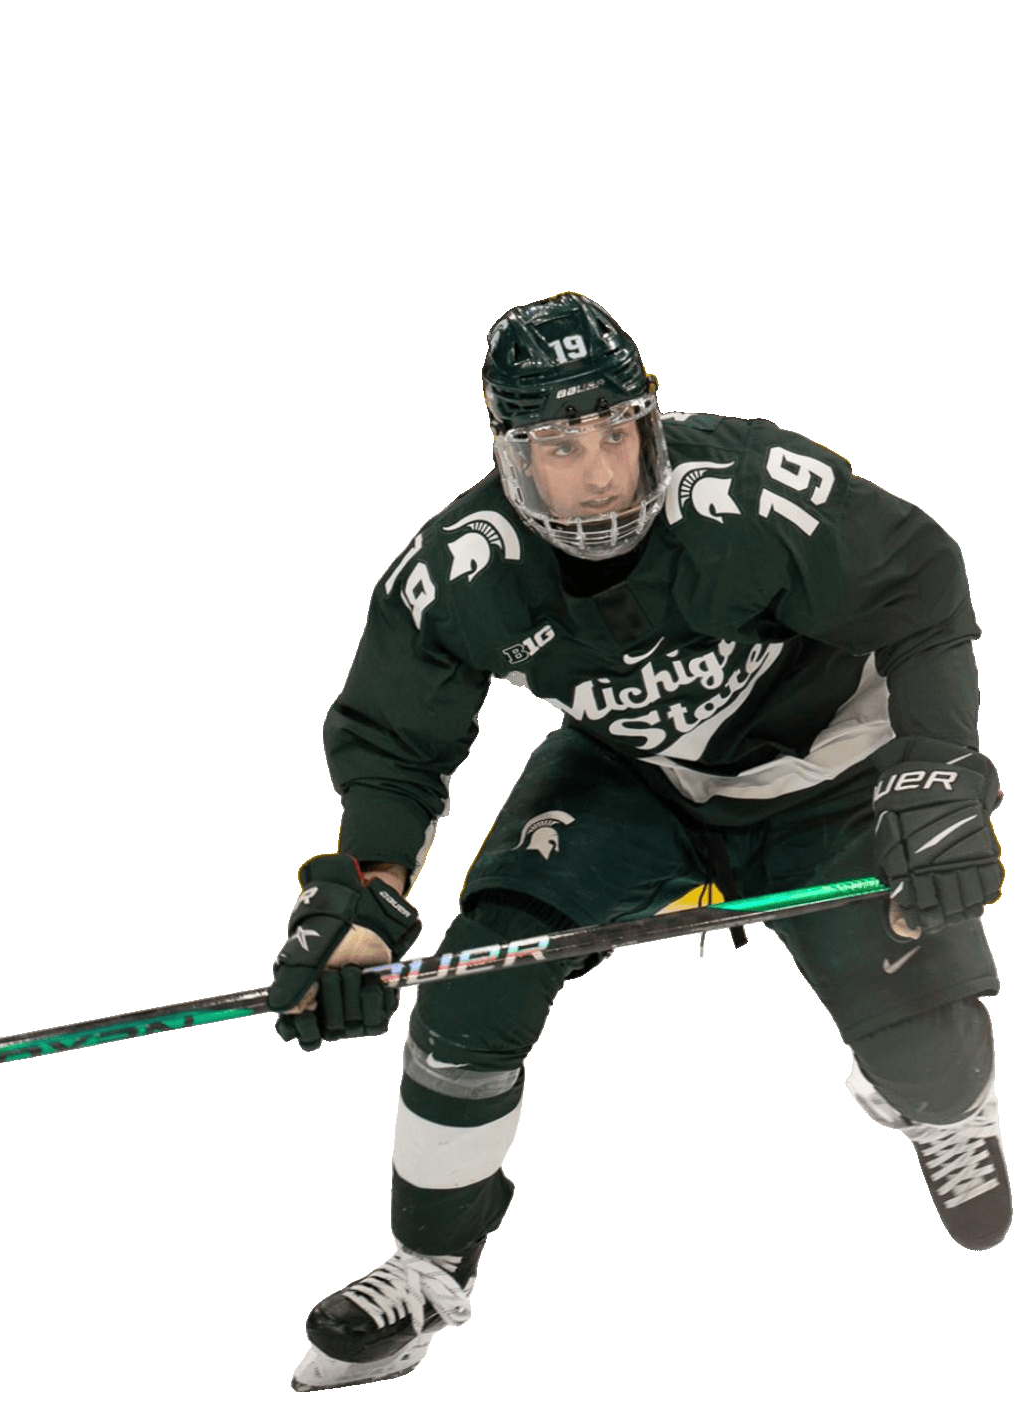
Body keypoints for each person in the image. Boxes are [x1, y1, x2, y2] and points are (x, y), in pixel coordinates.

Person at [266, 294, 1008, 1392]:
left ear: (648, 419)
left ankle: (938, 1100)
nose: (602, 474)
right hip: (640, 775)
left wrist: (937, 761)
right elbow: (393, 739)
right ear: (510, 453)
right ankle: (430, 1264)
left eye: (616, 432)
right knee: (475, 982)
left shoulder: (746, 488)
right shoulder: (465, 567)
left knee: (937, 1071)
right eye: (561, 446)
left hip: (830, 768)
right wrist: (367, 902)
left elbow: (920, 579)